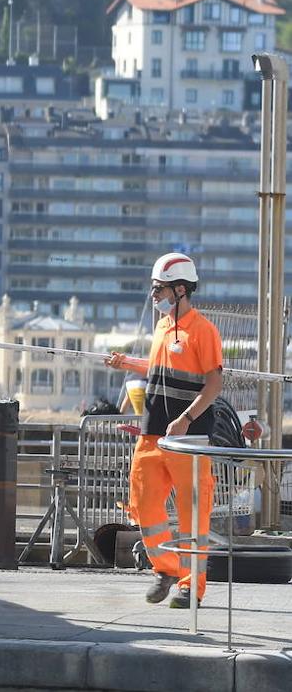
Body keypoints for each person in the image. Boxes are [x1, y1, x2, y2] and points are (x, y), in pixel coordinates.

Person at [105, 252, 221, 609]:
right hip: (152, 435)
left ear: (180, 290)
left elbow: (214, 383)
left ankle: (191, 587)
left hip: (189, 439)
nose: (153, 295)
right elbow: (161, 366)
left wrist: (185, 418)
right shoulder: (161, 328)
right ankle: (165, 568)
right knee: (142, 503)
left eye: (159, 289)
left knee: (192, 514)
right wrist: (127, 363)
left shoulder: (203, 331)